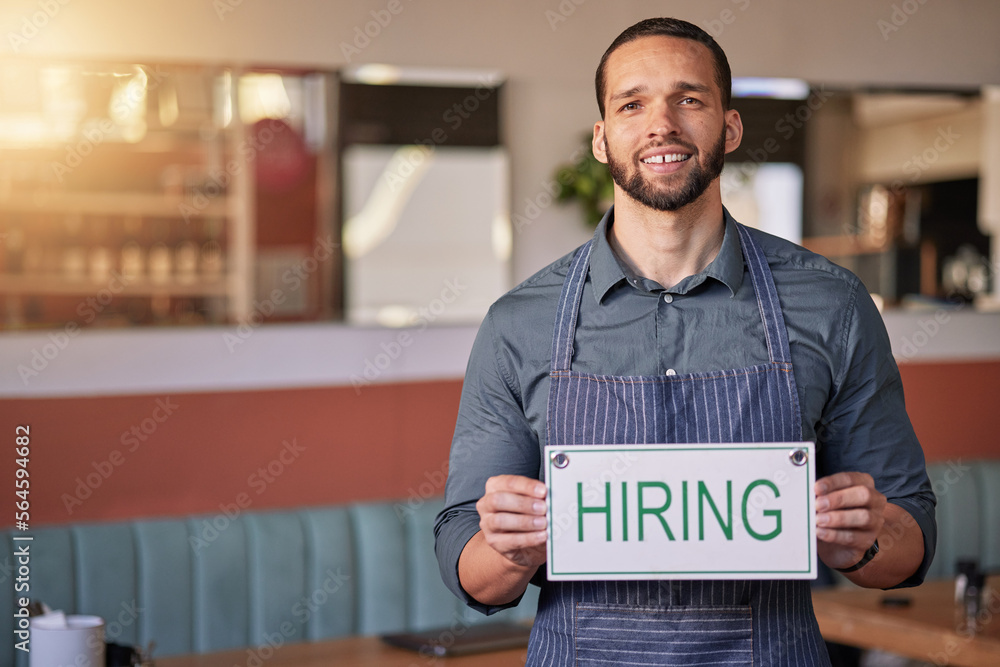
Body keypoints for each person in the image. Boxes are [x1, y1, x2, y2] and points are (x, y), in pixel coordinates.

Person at [434, 17, 936, 666]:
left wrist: (865, 541)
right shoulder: (518, 324)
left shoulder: (833, 304)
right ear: (602, 137)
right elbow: (461, 550)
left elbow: (914, 533)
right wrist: (510, 549)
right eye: (632, 103)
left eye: (688, 99)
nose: (660, 124)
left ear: (729, 127)